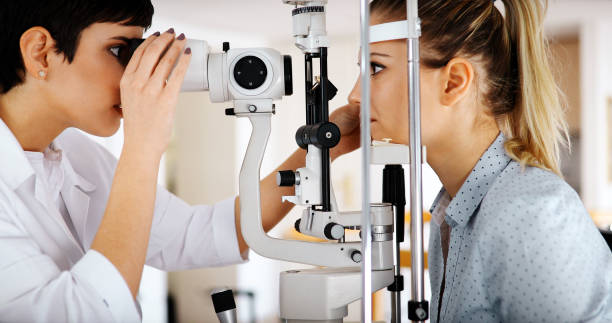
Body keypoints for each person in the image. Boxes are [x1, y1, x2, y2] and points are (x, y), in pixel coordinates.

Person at [0, 1, 359, 321]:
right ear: (41, 53)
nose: (134, 73)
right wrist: (143, 144)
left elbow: (200, 236)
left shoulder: (74, 153)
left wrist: (326, 147)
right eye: (118, 50)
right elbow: (84, 312)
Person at [340, 0, 612, 321]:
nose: (354, 95)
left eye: (375, 68)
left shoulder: (527, 213)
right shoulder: (452, 212)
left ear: (454, 82)